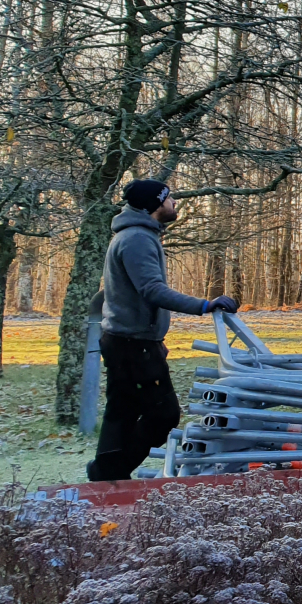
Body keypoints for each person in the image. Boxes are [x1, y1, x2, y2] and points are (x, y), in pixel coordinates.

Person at [86, 180, 237, 482]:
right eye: (169, 199)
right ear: (153, 205)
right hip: (133, 344)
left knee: (122, 412)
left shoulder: (134, 235)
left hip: (127, 340)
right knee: (163, 414)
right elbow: (152, 290)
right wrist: (205, 305)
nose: (174, 203)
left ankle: (106, 478)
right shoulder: (137, 240)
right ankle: (108, 473)